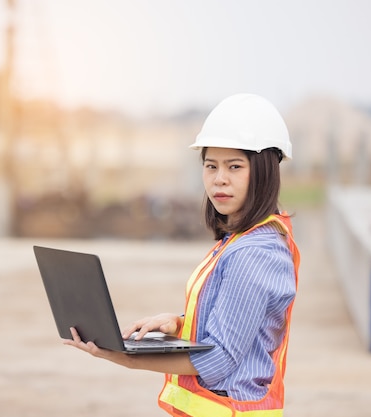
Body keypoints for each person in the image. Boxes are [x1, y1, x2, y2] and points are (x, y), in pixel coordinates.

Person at [64, 93, 301, 417]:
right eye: (211, 166)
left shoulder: (254, 253)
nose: (219, 178)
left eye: (235, 166)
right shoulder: (241, 240)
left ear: (264, 171)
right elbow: (242, 322)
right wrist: (180, 324)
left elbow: (218, 360)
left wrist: (124, 356)